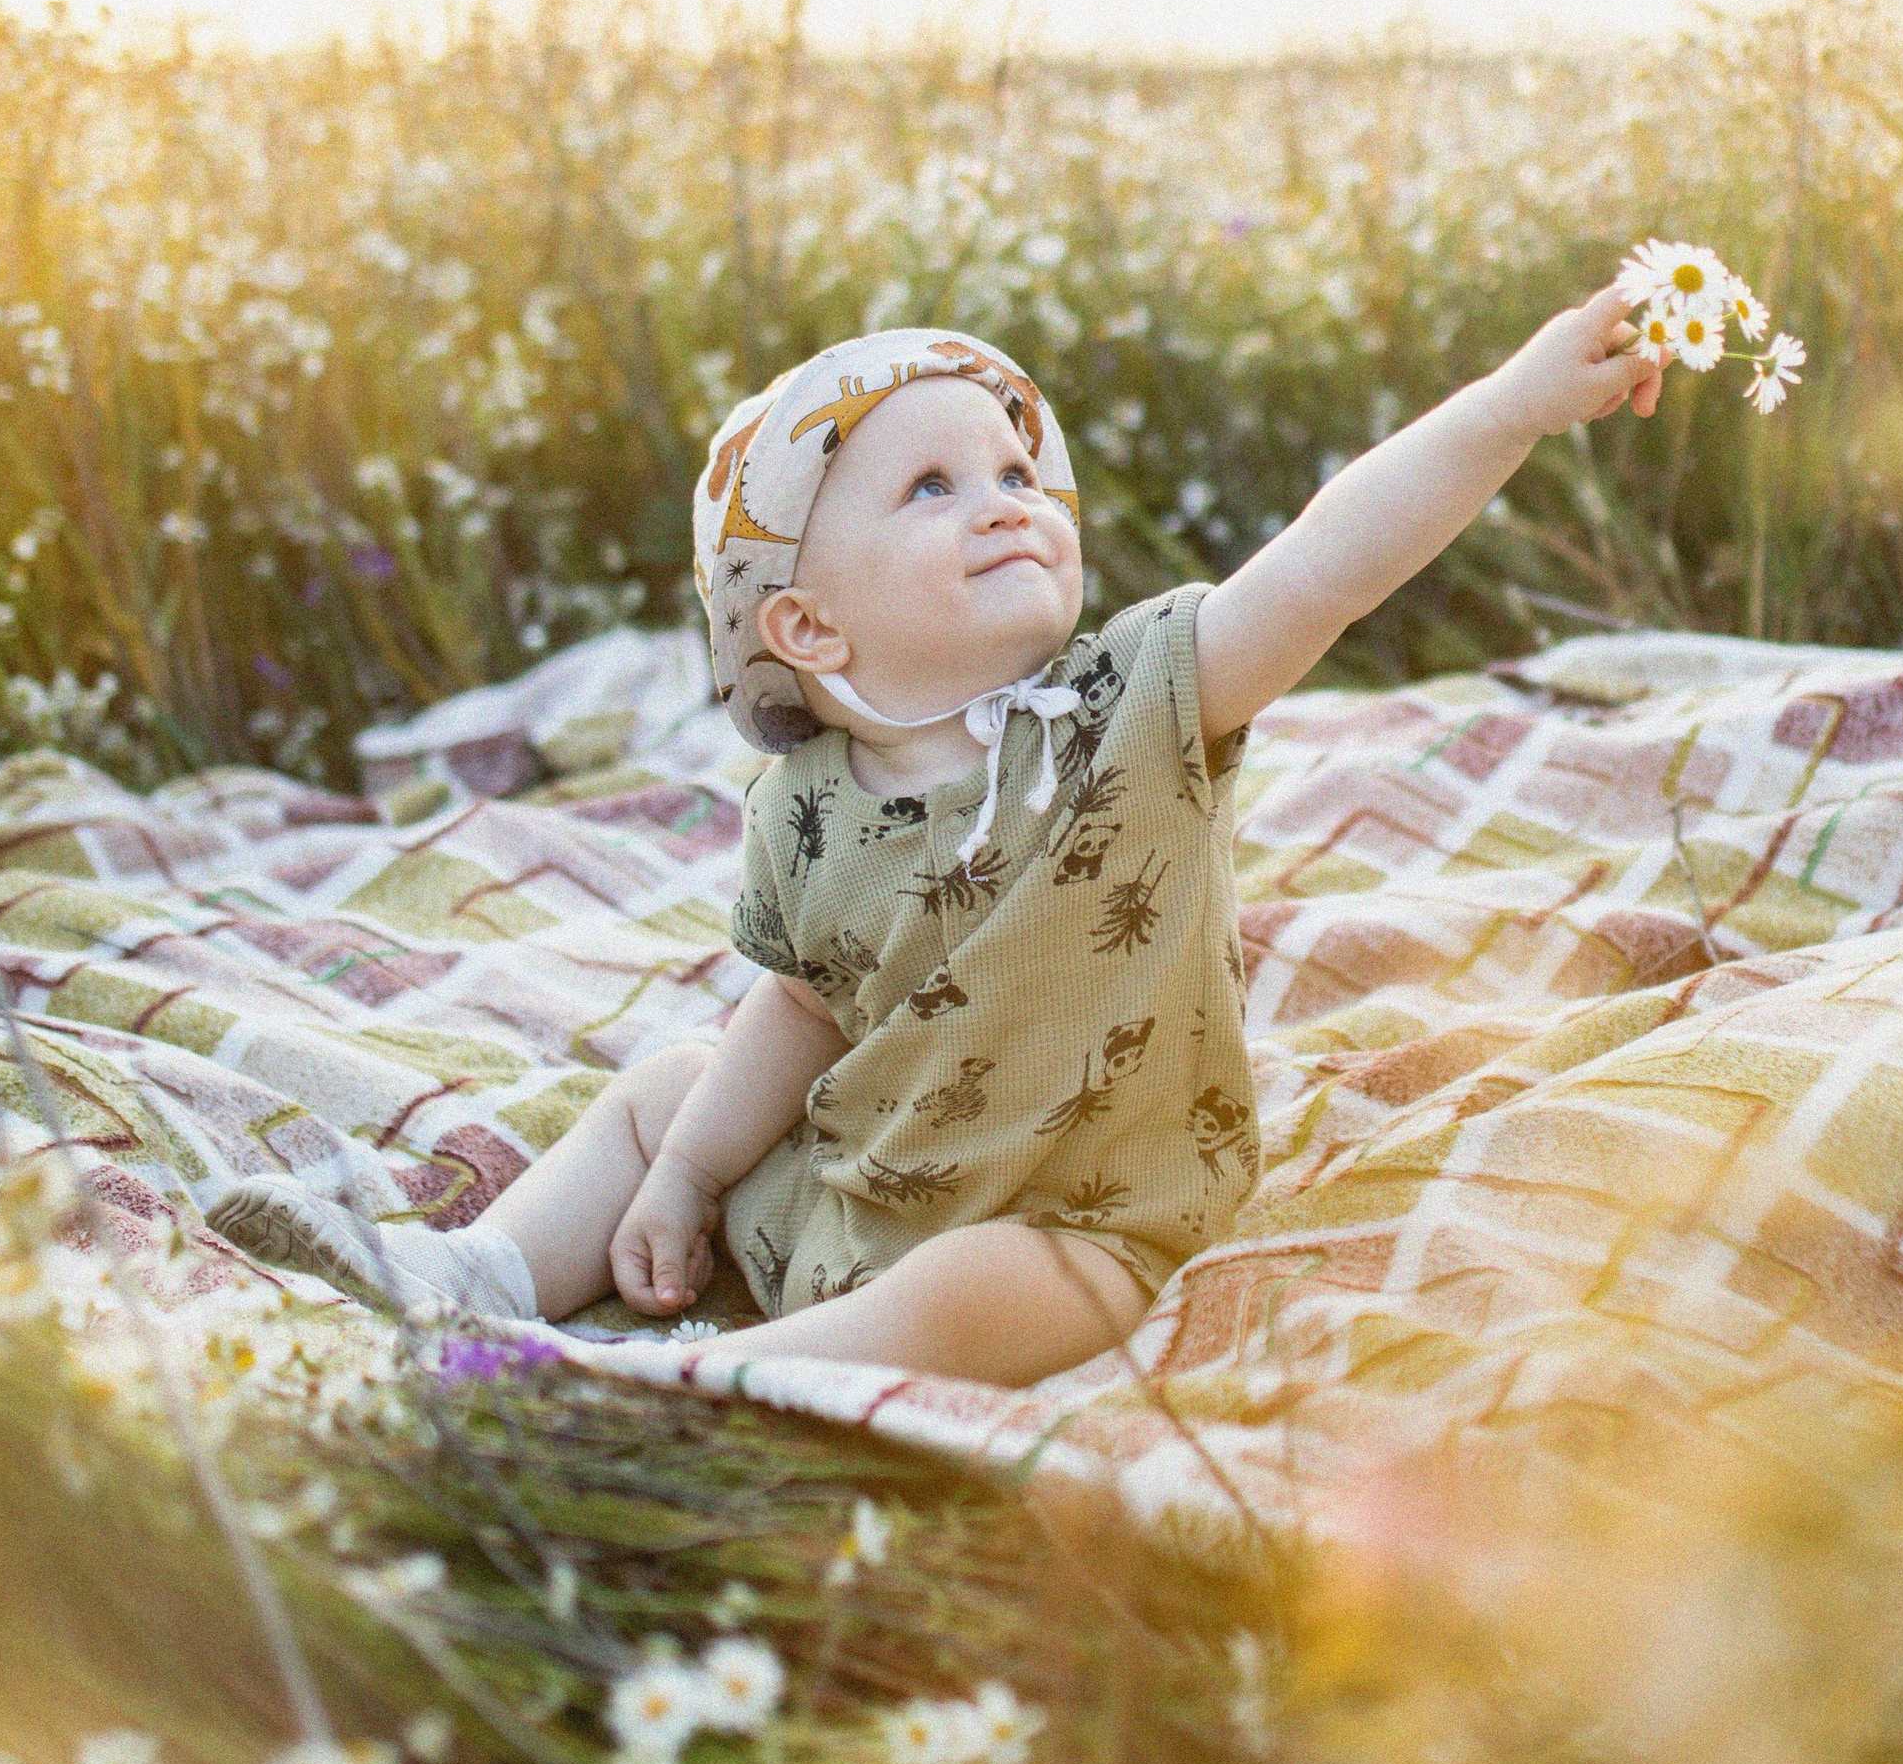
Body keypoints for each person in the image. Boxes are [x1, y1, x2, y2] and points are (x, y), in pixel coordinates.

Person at [210, 294, 1661, 1385]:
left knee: (991, 1287)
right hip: (855, 1186)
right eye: (934, 487)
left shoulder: (1136, 704)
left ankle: (709, 1381)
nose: (1009, 501)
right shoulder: (806, 801)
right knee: (664, 1088)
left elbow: (1332, 561)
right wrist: (691, 1179)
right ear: (811, 625)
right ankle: (479, 1271)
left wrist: (1514, 406)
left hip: (1082, 1220)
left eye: (1019, 474)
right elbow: (797, 1004)